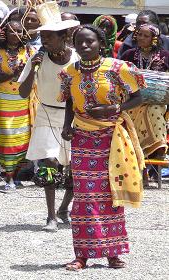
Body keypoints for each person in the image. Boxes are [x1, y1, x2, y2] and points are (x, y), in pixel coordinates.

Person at [59, 25, 145, 271]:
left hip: (111, 136)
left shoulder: (118, 68)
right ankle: (82, 255)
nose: (85, 47)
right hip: (82, 138)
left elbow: (138, 97)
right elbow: (68, 101)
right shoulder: (69, 72)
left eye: (90, 42)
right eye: (80, 43)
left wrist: (114, 109)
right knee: (85, 197)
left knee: (111, 194)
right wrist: (67, 126)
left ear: (101, 43)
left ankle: (113, 253)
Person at [18, 2, 79, 232]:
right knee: (50, 164)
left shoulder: (76, 59)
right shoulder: (37, 57)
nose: (45, 41)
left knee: (75, 168)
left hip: (72, 117)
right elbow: (23, 93)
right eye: (43, 36)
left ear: (64, 36)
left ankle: (65, 207)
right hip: (46, 114)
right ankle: (51, 216)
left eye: (50, 36)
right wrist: (32, 70)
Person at [0, 20, 33, 189]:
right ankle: (8, 176)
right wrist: (14, 73)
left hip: (24, 99)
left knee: (23, 137)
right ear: (4, 33)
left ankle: (17, 174)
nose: (17, 35)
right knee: (6, 137)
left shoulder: (29, 51)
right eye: (13, 31)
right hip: (5, 99)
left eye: (20, 31)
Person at [121, 24, 169, 160]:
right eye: (139, 34)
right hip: (133, 99)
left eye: (146, 36)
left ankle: (158, 148)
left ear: (154, 39)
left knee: (154, 110)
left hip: (157, 100)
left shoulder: (166, 56)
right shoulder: (128, 55)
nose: (141, 38)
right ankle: (134, 149)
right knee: (129, 111)